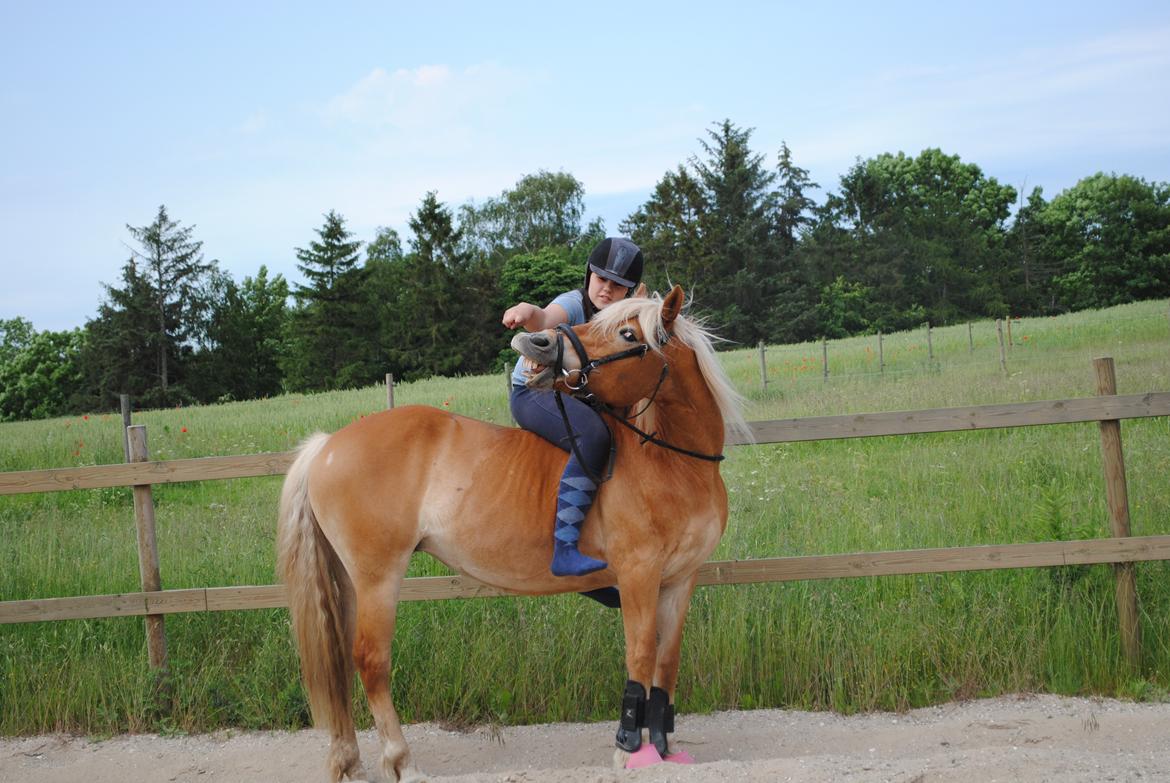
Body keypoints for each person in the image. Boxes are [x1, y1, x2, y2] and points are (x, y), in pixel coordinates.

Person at [502, 237, 644, 577]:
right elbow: (546, 317)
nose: (606, 290)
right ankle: (564, 549)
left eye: (617, 285)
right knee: (593, 436)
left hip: (577, 396)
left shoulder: (624, 317)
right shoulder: (575, 304)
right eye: (601, 279)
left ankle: (603, 549)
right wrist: (528, 312)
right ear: (589, 276)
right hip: (533, 394)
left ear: (630, 290)